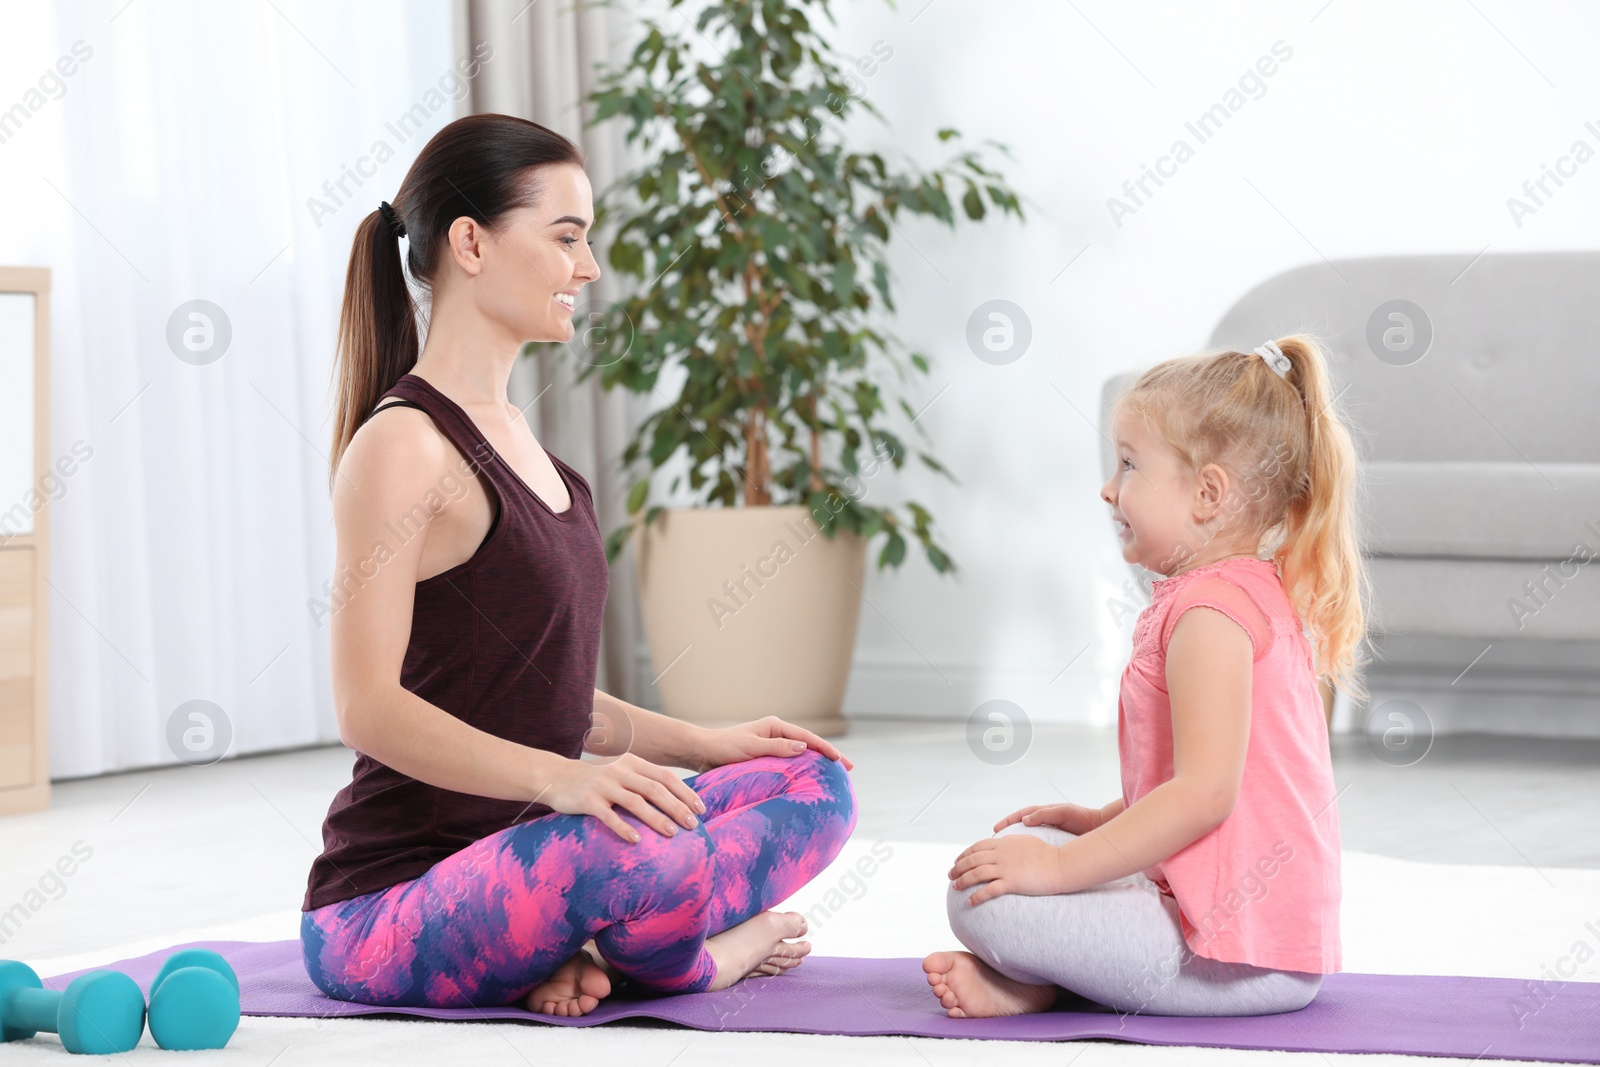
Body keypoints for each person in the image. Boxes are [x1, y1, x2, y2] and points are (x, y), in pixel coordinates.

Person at [300, 113, 857, 1016]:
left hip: (543, 864)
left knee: (814, 781)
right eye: (567, 238)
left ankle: (587, 941)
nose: (589, 269)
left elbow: (540, 697)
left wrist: (709, 743)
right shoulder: (403, 446)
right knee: (641, 848)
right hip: (389, 908)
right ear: (472, 243)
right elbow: (367, 708)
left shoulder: (542, 460)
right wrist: (561, 779)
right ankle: (698, 958)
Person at [924, 335, 1364, 1017]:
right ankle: (1061, 974)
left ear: (1208, 493)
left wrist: (1066, 867)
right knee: (1015, 852)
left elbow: (1204, 795)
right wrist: (1102, 820)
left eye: (1129, 464)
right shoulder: (1233, 591)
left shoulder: (1212, 615)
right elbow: (1231, 783)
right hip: (1234, 931)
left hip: (1240, 960)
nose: (1108, 487)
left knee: (981, 899)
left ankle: (1048, 984)